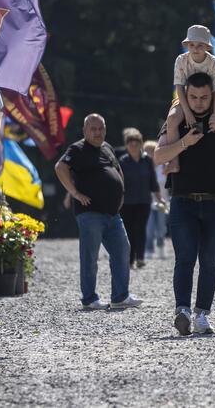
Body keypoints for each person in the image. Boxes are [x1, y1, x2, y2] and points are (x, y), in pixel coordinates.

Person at [154, 72, 215, 336]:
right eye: (193, 97)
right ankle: (182, 311)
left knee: (210, 261)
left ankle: (201, 315)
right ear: (186, 94)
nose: (198, 102)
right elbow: (158, 156)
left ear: (213, 95)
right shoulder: (178, 116)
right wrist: (184, 142)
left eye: (204, 97)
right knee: (184, 259)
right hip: (183, 202)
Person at [55, 114, 141, 311]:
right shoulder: (77, 149)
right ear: (85, 131)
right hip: (90, 212)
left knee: (122, 250)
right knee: (90, 256)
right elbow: (60, 168)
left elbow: (118, 171)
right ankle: (89, 299)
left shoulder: (107, 147)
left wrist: (121, 194)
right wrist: (74, 193)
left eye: (101, 128)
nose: (97, 132)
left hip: (112, 213)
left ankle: (121, 296)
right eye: (93, 129)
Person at [164, 25, 215, 173]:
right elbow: (179, 88)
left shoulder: (213, 62)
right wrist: (187, 112)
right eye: (191, 45)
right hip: (185, 97)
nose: (195, 48)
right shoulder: (181, 60)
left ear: (207, 47)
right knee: (171, 119)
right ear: (187, 45)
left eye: (199, 45)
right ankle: (174, 162)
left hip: (213, 98)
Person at [119, 128, 160, 269]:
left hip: (144, 201)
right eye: (131, 143)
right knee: (129, 230)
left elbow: (153, 181)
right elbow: (119, 183)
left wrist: (159, 198)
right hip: (127, 202)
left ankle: (140, 257)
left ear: (141, 144)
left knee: (141, 229)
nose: (134, 145)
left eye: (136, 143)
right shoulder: (122, 162)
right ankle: (129, 259)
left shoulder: (147, 161)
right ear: (126, 145)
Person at [143, 140, 169, 260]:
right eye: (146, 152)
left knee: (161, 229)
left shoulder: (164, 166)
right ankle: (148, 249)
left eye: (150, 152)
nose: (148, 155)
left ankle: (161, 247)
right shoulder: (144, 168)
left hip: (162, 202)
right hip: (147, 203)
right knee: (149, 228)